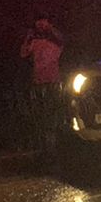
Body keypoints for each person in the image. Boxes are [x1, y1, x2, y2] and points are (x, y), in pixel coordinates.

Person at [20, 16, 65, 147]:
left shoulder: (55, 42)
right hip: (39, 80)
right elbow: (23, 53)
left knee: (52, 108)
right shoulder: (35, 43)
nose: (41, 27)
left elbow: (62, 40)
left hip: (52, 80)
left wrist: (50, 28)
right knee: (42, 109)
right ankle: (44, 138)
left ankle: (53, 138)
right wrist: (28, 37)